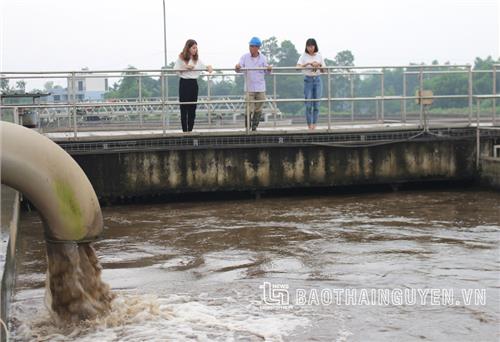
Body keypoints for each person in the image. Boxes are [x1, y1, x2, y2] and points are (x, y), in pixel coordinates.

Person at [174, 39, 212, 132]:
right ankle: (185, 131)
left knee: (192, 108)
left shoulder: (197, 59)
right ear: (188, 48)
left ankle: (190, 130)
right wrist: (185, 67)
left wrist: (209, 67)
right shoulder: (181, 57)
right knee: (183, 108)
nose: (195, 50)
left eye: (196, 48)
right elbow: (175, 70)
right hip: (184, 83)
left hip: (193, 84)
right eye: (193, 48)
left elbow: (205, 67)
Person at [235, 37, 272, 131]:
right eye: (250, 46)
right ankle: (247, 127)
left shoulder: (263, 58)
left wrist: (269, 69)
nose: (250, 48)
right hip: (249, 87)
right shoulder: (244, 57)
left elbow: (267, 72)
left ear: (258, 47)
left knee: (258, 109)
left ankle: (254, 127)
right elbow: (238, 69)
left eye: (253, 46)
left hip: (260, 87)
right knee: (249, 108)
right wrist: (237, 67)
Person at [296, 38, 325, 130]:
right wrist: (307, 64)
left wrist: (318, 65)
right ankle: (309, 126)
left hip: (317, 80)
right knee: (308, 104)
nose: (310, 48)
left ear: (315, 46)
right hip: (308, 80)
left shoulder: (319, 55)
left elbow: (324, 70)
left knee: (317, 104)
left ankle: (314, 125)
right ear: (306, 47)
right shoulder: (303, 56)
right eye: (308, 46)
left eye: (312, 46)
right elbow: (297, 67)